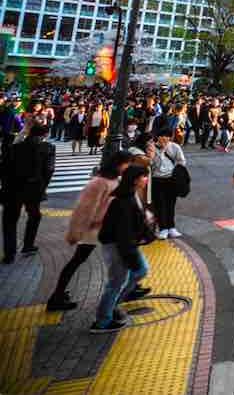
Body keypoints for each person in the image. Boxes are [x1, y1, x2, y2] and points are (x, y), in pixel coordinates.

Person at [46, 151, 132, 311]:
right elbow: (84, 208)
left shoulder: (114, 179)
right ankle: (56, 297)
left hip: (106, 228)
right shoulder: (100, 182)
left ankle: (57, 296)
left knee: (82, 260)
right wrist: (76, 231)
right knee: (78, 260)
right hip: (95, 230)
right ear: (118, 164)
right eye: (127, 163)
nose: (128, 167)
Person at [91, 166, 153, 333]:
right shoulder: (122, 200)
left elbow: (137, 220)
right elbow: (122, 232)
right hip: (117, 245)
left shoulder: (131, 194)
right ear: (135, 180)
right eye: (144, 177)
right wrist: (130, 256)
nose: (146, 180)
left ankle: (112, 307)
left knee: (140, 271)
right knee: (116, 282)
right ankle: (102, 321)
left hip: (126, 244)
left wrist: (146, 233)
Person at [1, 122, 55, 263]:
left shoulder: (15, 147)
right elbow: (49, 170)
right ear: (44, 135)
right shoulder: (48, 148)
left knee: (10, 220)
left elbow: (4, 168)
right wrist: (42, 187)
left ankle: (9, 254)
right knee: (34, 215)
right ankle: (28, 245)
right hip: (34, 188)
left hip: (12, 189)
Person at [149, 127, 186, 240]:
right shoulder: (152, 148)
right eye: (162, 136)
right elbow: (150, 163)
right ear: (158, 137)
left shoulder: (174, 147)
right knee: (160, 205)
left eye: (167, 136)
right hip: (157, 179)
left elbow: (182, 161)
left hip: (171, 179)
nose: (165, 138)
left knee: (171, 204)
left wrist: (177, 172)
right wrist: (157, 153)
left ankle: (171, 227)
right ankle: (163, 228)